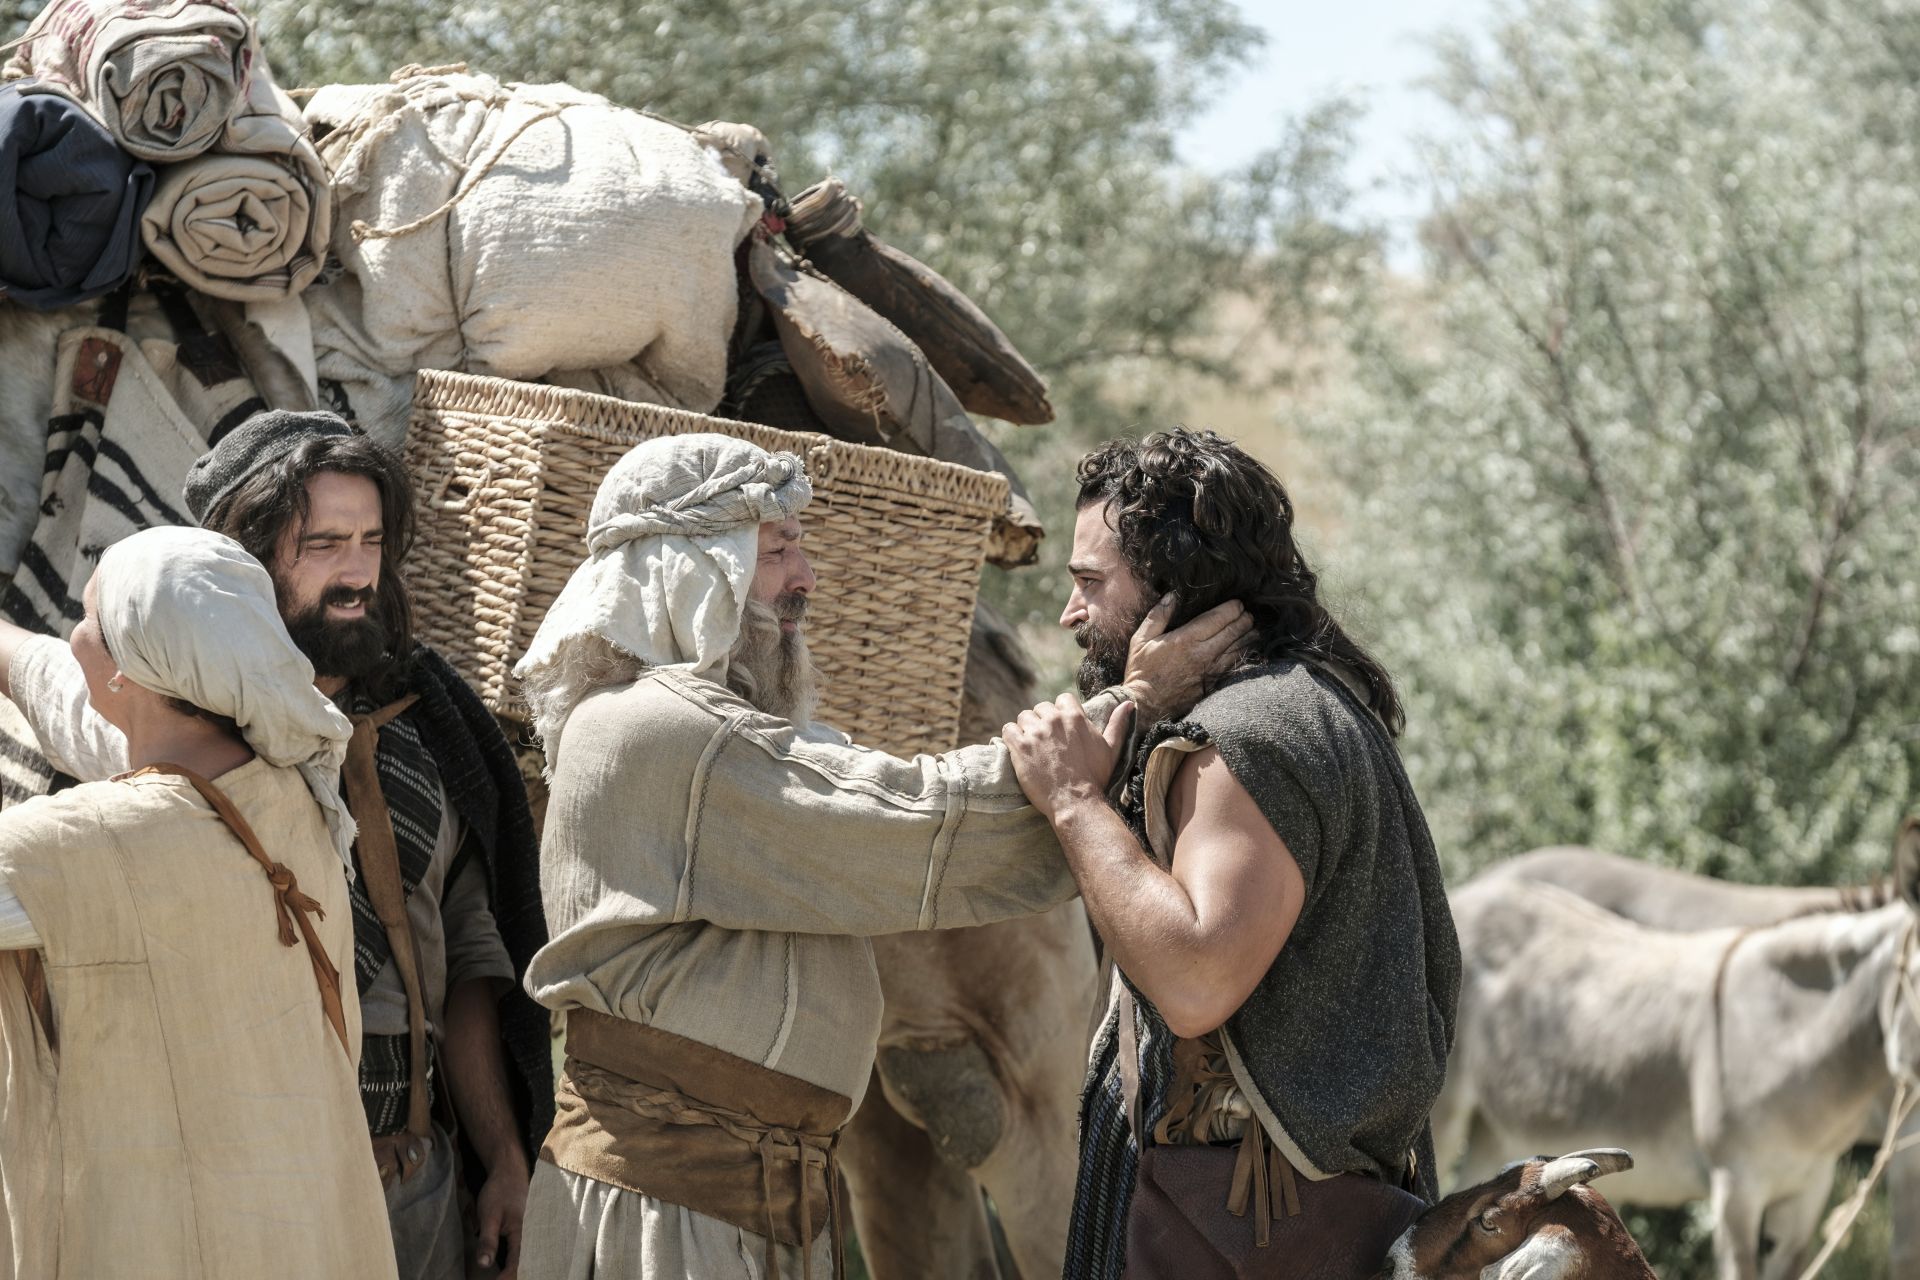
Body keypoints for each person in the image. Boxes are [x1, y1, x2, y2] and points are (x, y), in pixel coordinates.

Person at [511, 433, 1248, 1280]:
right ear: (691, 566)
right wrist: (1139, 702)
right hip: (668, 1225)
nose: (807, 579)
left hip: (740, 1209)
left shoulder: (686, 731)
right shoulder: (657, 733)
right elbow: (910, 824)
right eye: (778, 550)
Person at [0, 411, 548, 1280]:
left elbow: (470, 959)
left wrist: (504, 1157)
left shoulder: (429, 729)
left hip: (412, 1187)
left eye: (370, 539)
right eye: (324, 543)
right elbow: (57, 672)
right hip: (242, 1208)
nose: (358, 568)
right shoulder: (182, 734)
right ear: (241, 563)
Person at [999, 429, 1460, 1280]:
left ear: (1175, 594)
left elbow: (1197, 978)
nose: (1070, 613)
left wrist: (1071, 801)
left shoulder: (1248, 736)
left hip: (1242, 1237)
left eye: (1091, 584)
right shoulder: (1303, 708)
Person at [0, 526, 397, 1279]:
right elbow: (59, 679)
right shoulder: (296, 790)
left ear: (125, 674)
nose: (73, 635)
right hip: (308, 1243)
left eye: (88, 619)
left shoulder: (75, 850)